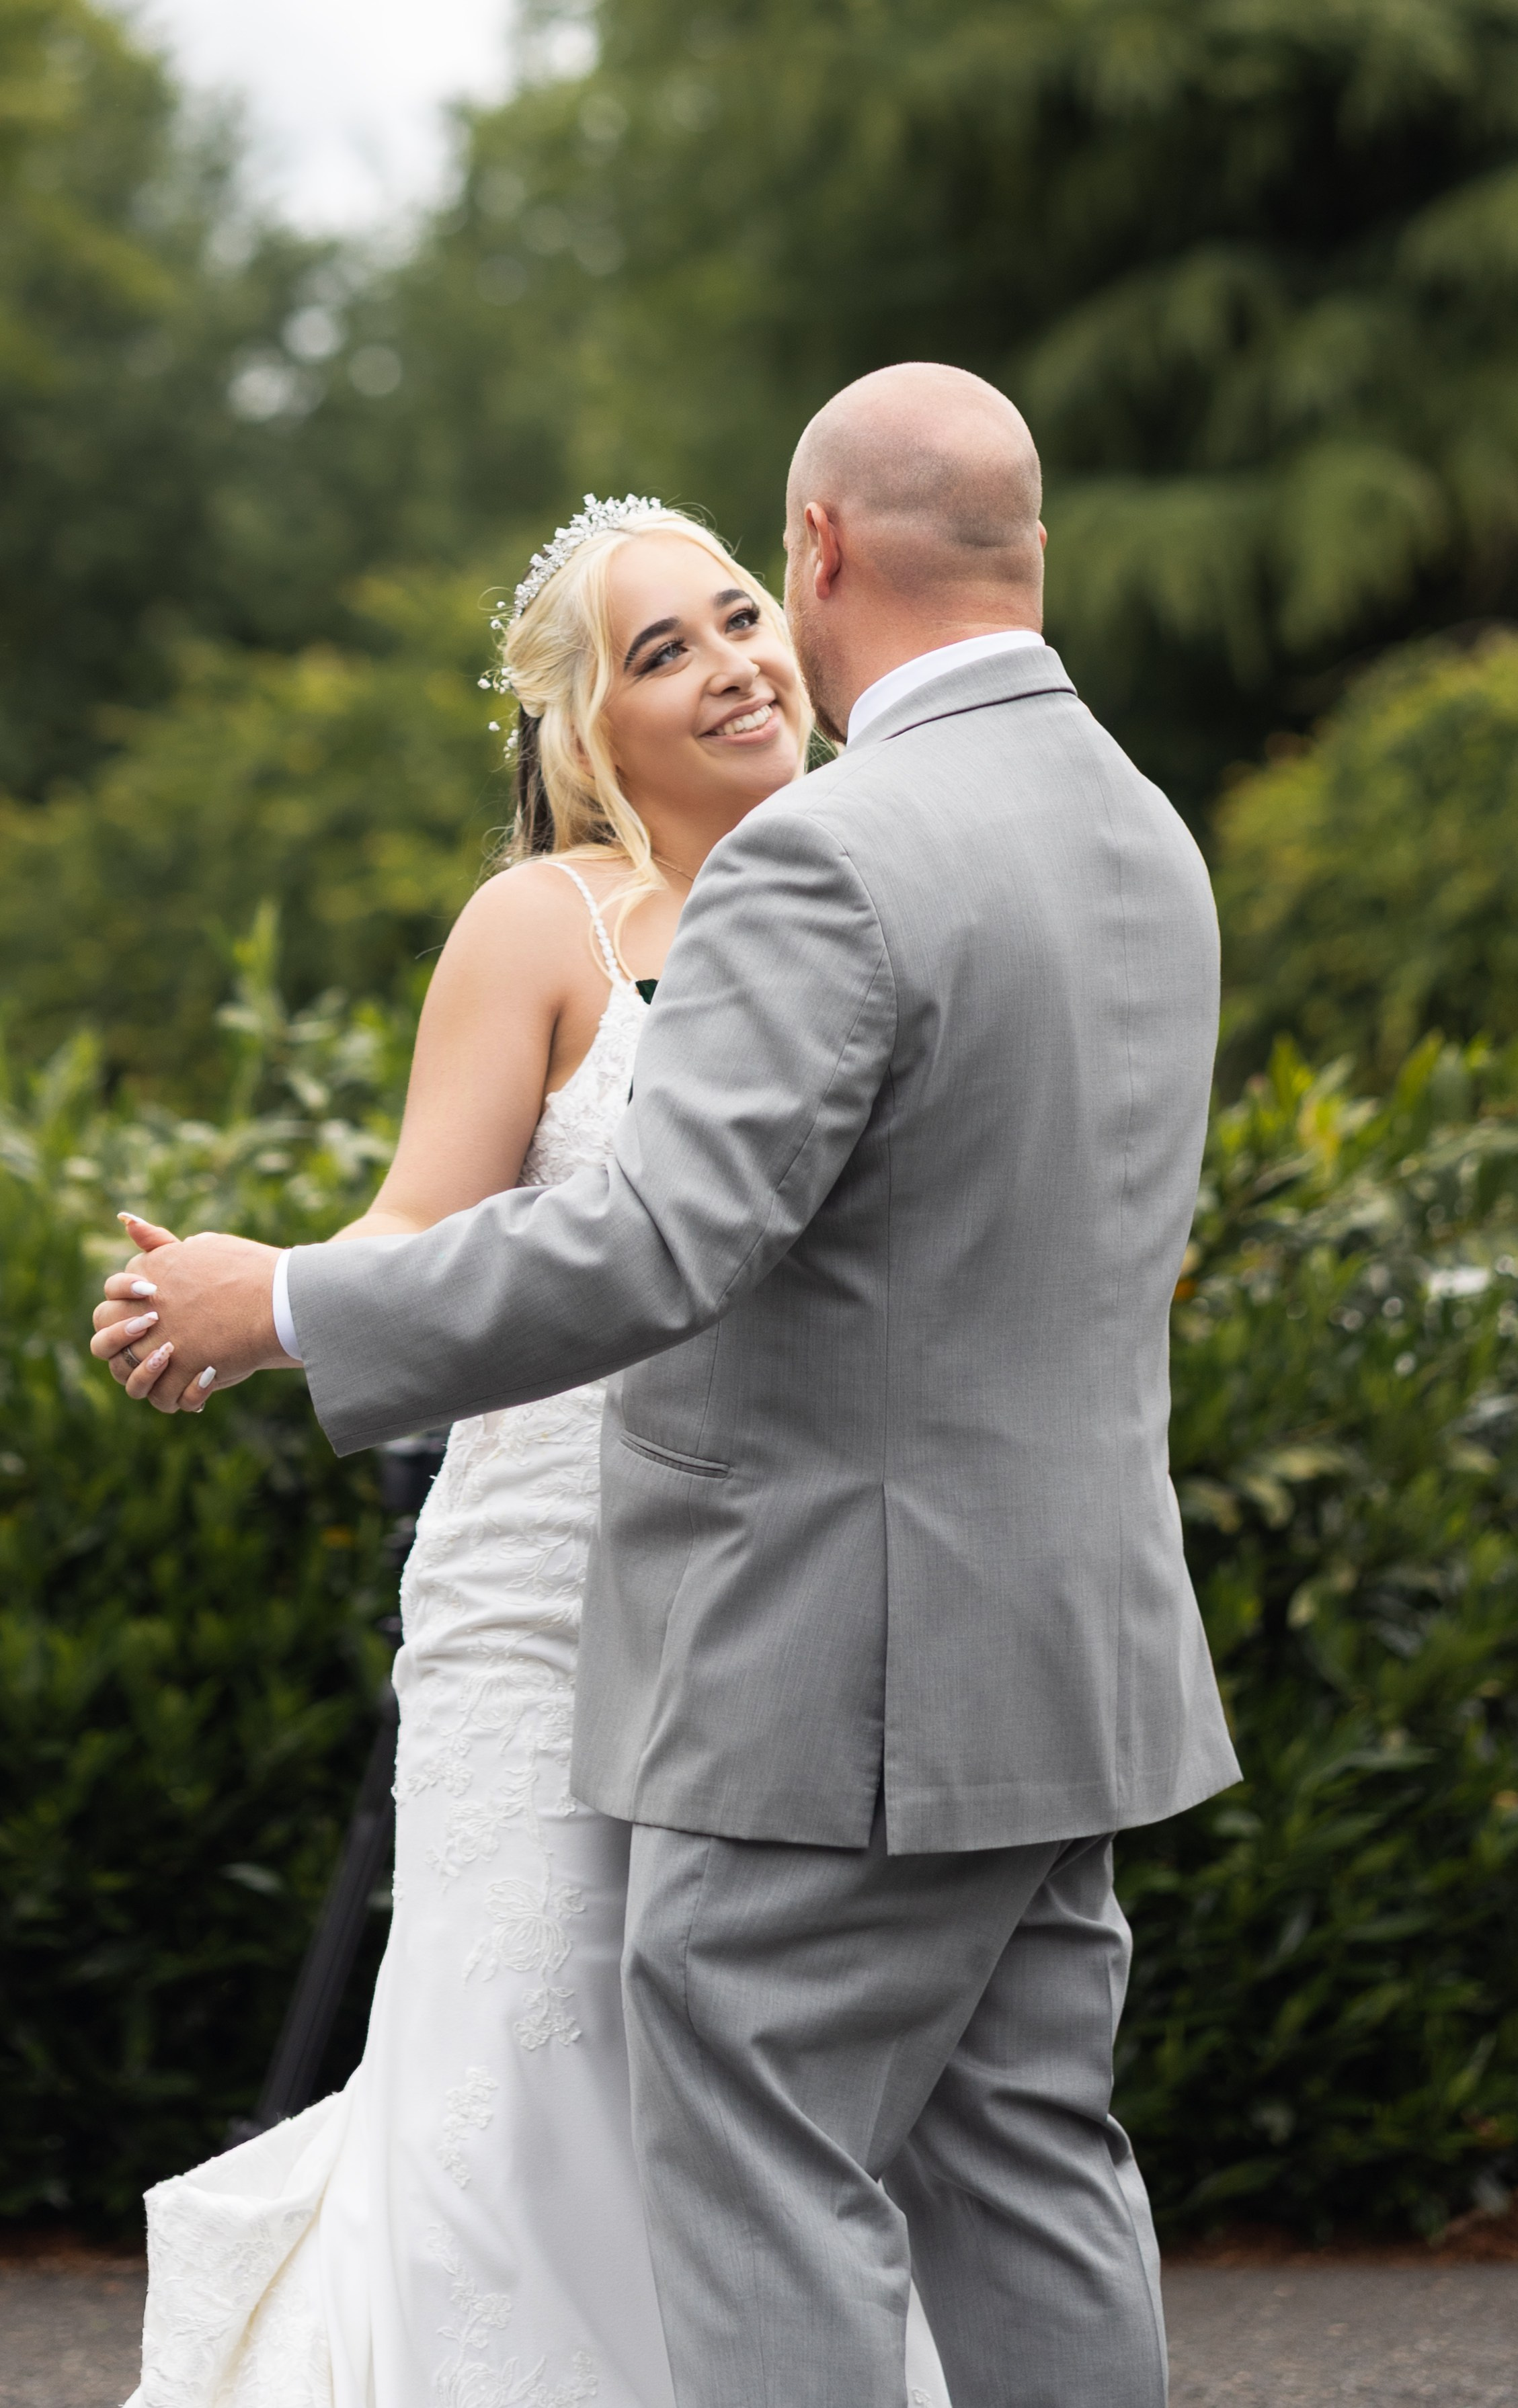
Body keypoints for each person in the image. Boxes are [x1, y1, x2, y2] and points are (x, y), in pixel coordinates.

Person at [97, 362, 1242, 2408]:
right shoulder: (1141, 835)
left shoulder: (840, 858)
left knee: (759, 2189)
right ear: (1032, 546)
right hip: (1067, 1659)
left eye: (737, 602)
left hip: (829, 1673)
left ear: (810, 552)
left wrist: (283, 1309)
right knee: (1027, 2175)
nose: (732, 658)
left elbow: (649, 1247)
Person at [116, 501, 953, 2407]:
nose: (733, 662)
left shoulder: (889, 880)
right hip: (545, 1594)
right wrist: (258, 1306)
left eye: (740, 615)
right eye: (663, 650)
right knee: (512, 2069)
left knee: (747, 2118)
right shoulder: (549, 924)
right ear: (590, 730)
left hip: (788, 1600)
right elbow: (429, 1231)